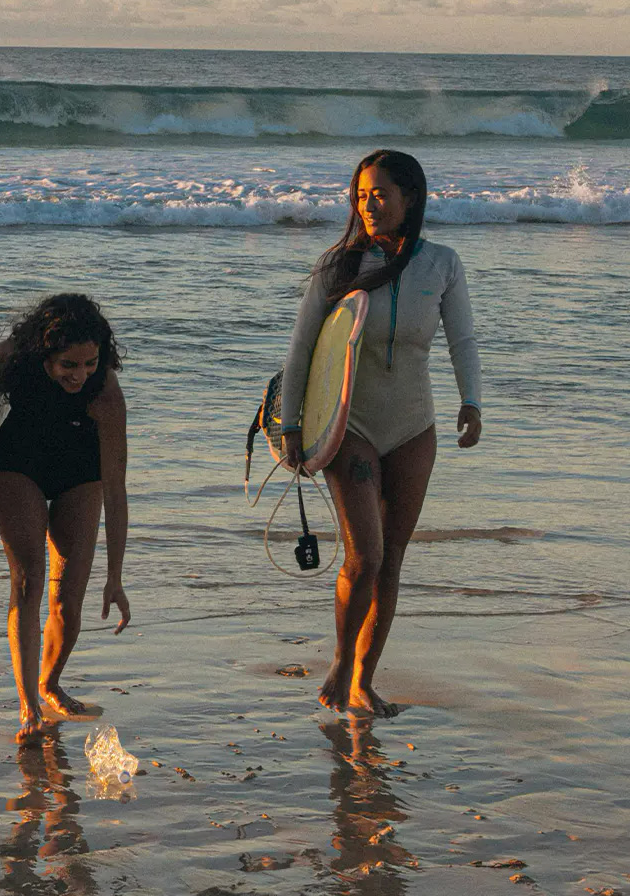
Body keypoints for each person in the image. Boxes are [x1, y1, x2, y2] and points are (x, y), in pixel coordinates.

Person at [277, 149, 483, 718]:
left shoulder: (442, 263)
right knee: (363, 557)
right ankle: (342, 662)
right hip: (353, 424)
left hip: (415, 426)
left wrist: (472, 401)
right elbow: (301, 349)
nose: (368, 205)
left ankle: (365, 680)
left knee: (391, 560)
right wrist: (293, 423)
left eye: (380, 195)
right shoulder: (339, 266)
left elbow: (462, 340)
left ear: (409, 199)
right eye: (361, 195)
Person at [0, 293, 131, 743]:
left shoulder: (104, 389)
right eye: (69, 364)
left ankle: (49, 680)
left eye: (89, 363)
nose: (79, 375)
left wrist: (116, 576)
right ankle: (29, 704)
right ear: (43, 352)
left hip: (79, 471)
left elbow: (117, 487)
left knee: (70, 600)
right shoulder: (8, 357)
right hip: (19, 463)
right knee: (28, 580)